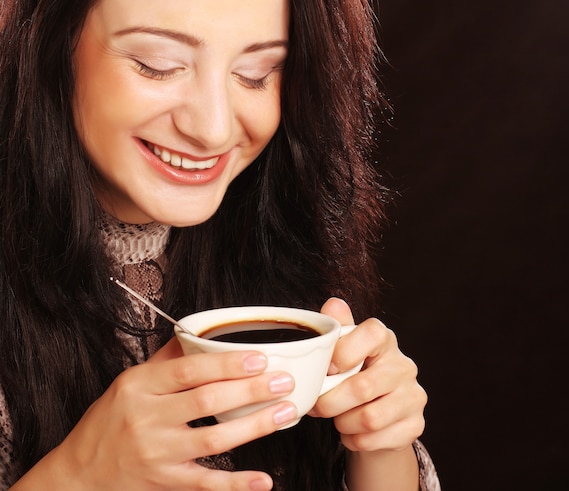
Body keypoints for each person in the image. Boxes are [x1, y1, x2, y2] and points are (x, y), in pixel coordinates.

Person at [0, 0, 440, 489]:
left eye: (256, 74)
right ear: (49, 44)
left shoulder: (280, 240)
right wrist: (76, 477)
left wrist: (381, 445)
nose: (212, 129)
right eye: (158, 66)